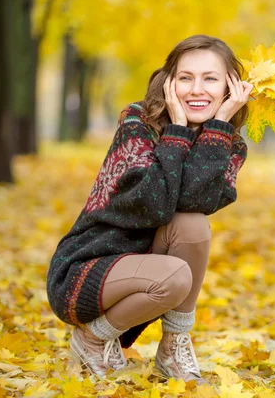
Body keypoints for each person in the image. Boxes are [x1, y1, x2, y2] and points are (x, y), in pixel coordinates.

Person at [46, 34, 253, 384]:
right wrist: (175, 132)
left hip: (146, 271)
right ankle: (91, 338)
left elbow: (193, 205)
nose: (196, 89)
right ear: (169, 82)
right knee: (174, 277)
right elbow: (152, 205)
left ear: (230, 87)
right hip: (85, 270)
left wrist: (216, 129)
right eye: (186, 77)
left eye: (211, 79)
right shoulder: (137, 122)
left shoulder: (227, 145)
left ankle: (173, 347)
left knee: (193, 226)